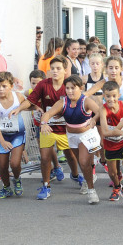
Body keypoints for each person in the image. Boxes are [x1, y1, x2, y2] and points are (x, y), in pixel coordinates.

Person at [10, 55, 83, 200]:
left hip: (66, 128)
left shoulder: (69, 85)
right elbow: (30, 100)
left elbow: (80, 101)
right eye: (52, 68)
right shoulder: (43, 84)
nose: (55, 71)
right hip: (47, 127)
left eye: (58, 68)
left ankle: (75, 175)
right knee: (45, 158)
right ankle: (46, 186)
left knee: (71, 155)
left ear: (65, 70)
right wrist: (18, 109)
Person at [40, 75, 101, 204]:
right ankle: (89, 176)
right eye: (67, 88)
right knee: (82, 162)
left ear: (81, 88)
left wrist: (94, 120)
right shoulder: (63, 102)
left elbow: (100, 111)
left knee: (84, 162)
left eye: (73, 88)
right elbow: (48, 113)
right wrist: (44, 123)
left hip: (87, 135)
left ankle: (91, 190)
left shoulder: (86, 101)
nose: (70, 91)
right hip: (72, 136)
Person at [0, 72, 27, 199]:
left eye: (4, 86)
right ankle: (6, 187)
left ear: (11, 86)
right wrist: (2, 141)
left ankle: (17, 179)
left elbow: (29, 104)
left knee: (15, 163)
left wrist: (20, 108)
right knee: (3, 165)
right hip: (2, 136)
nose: (0, 89)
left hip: (18, 134)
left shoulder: (17, 96)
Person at [99, 81, 123, 205]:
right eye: (108, 96)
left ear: (119, 95)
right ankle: (117, 186)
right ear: (104, 96)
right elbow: (104, 132)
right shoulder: (103, 110)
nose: (111, 99)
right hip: (110, 143)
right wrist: (120, 132)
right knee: (113, 173)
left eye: (114, 96)